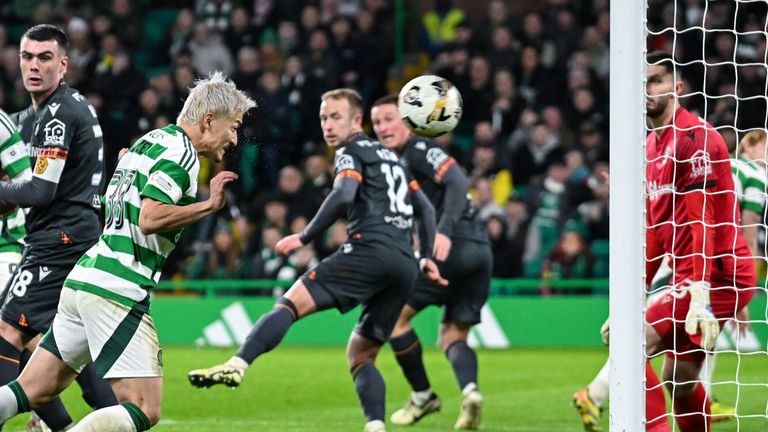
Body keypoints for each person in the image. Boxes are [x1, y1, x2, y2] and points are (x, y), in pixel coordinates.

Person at [0, 71, 255, 431]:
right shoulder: (183, 154)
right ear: (209, 120)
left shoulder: (149, 141)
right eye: (234, 126)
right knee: (143, 407)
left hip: (84, 280)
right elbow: (150, 217)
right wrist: (207, 205)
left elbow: (118, 203)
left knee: (31, 389)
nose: (234, 137)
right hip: (117, 287)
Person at [188, 88, 447, 432]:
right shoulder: (392, 159)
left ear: (357, 120)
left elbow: (343, 194)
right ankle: (375, 426)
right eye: (323, 117)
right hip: (403, 264)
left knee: (289, 304)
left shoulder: (349, 150)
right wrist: (426, 256)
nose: (327, 124)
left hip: (368, 250)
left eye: (335, 116)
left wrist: (304, 236)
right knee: (361, 354)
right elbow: (427, 209)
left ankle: (238, 363)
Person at [577, 52, 756, 432]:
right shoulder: (648, 149)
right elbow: (656, 235)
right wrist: (630, 299)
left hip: (720, 271)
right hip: (688, 274)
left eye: (655, 81)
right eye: (641, 83)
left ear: (677, 87)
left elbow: (701, 219)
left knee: (631, 345)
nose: (646, 90)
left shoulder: (695, 138)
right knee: (681, 378)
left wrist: (701, 292)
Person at [0, 25, 120, 431]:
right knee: (54, 345)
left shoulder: (58, 114)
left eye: (45, 58)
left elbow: (41, 188)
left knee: (5, 331)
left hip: (59, 238)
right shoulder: (39, 114)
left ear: (63, 64)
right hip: (74, 235)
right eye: (27, 57)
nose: (34, 66)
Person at [370, 95, 491, 430]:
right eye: (377, 122)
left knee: (394, 320)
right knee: (454, 335)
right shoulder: (395, 163)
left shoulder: (419, 150)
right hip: (479, 251)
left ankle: (423, 395)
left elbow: (457, 180)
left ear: (408, 120)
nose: (382, 128)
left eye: (389, 119)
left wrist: (444, 231)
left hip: (447, 248)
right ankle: (471, 392)